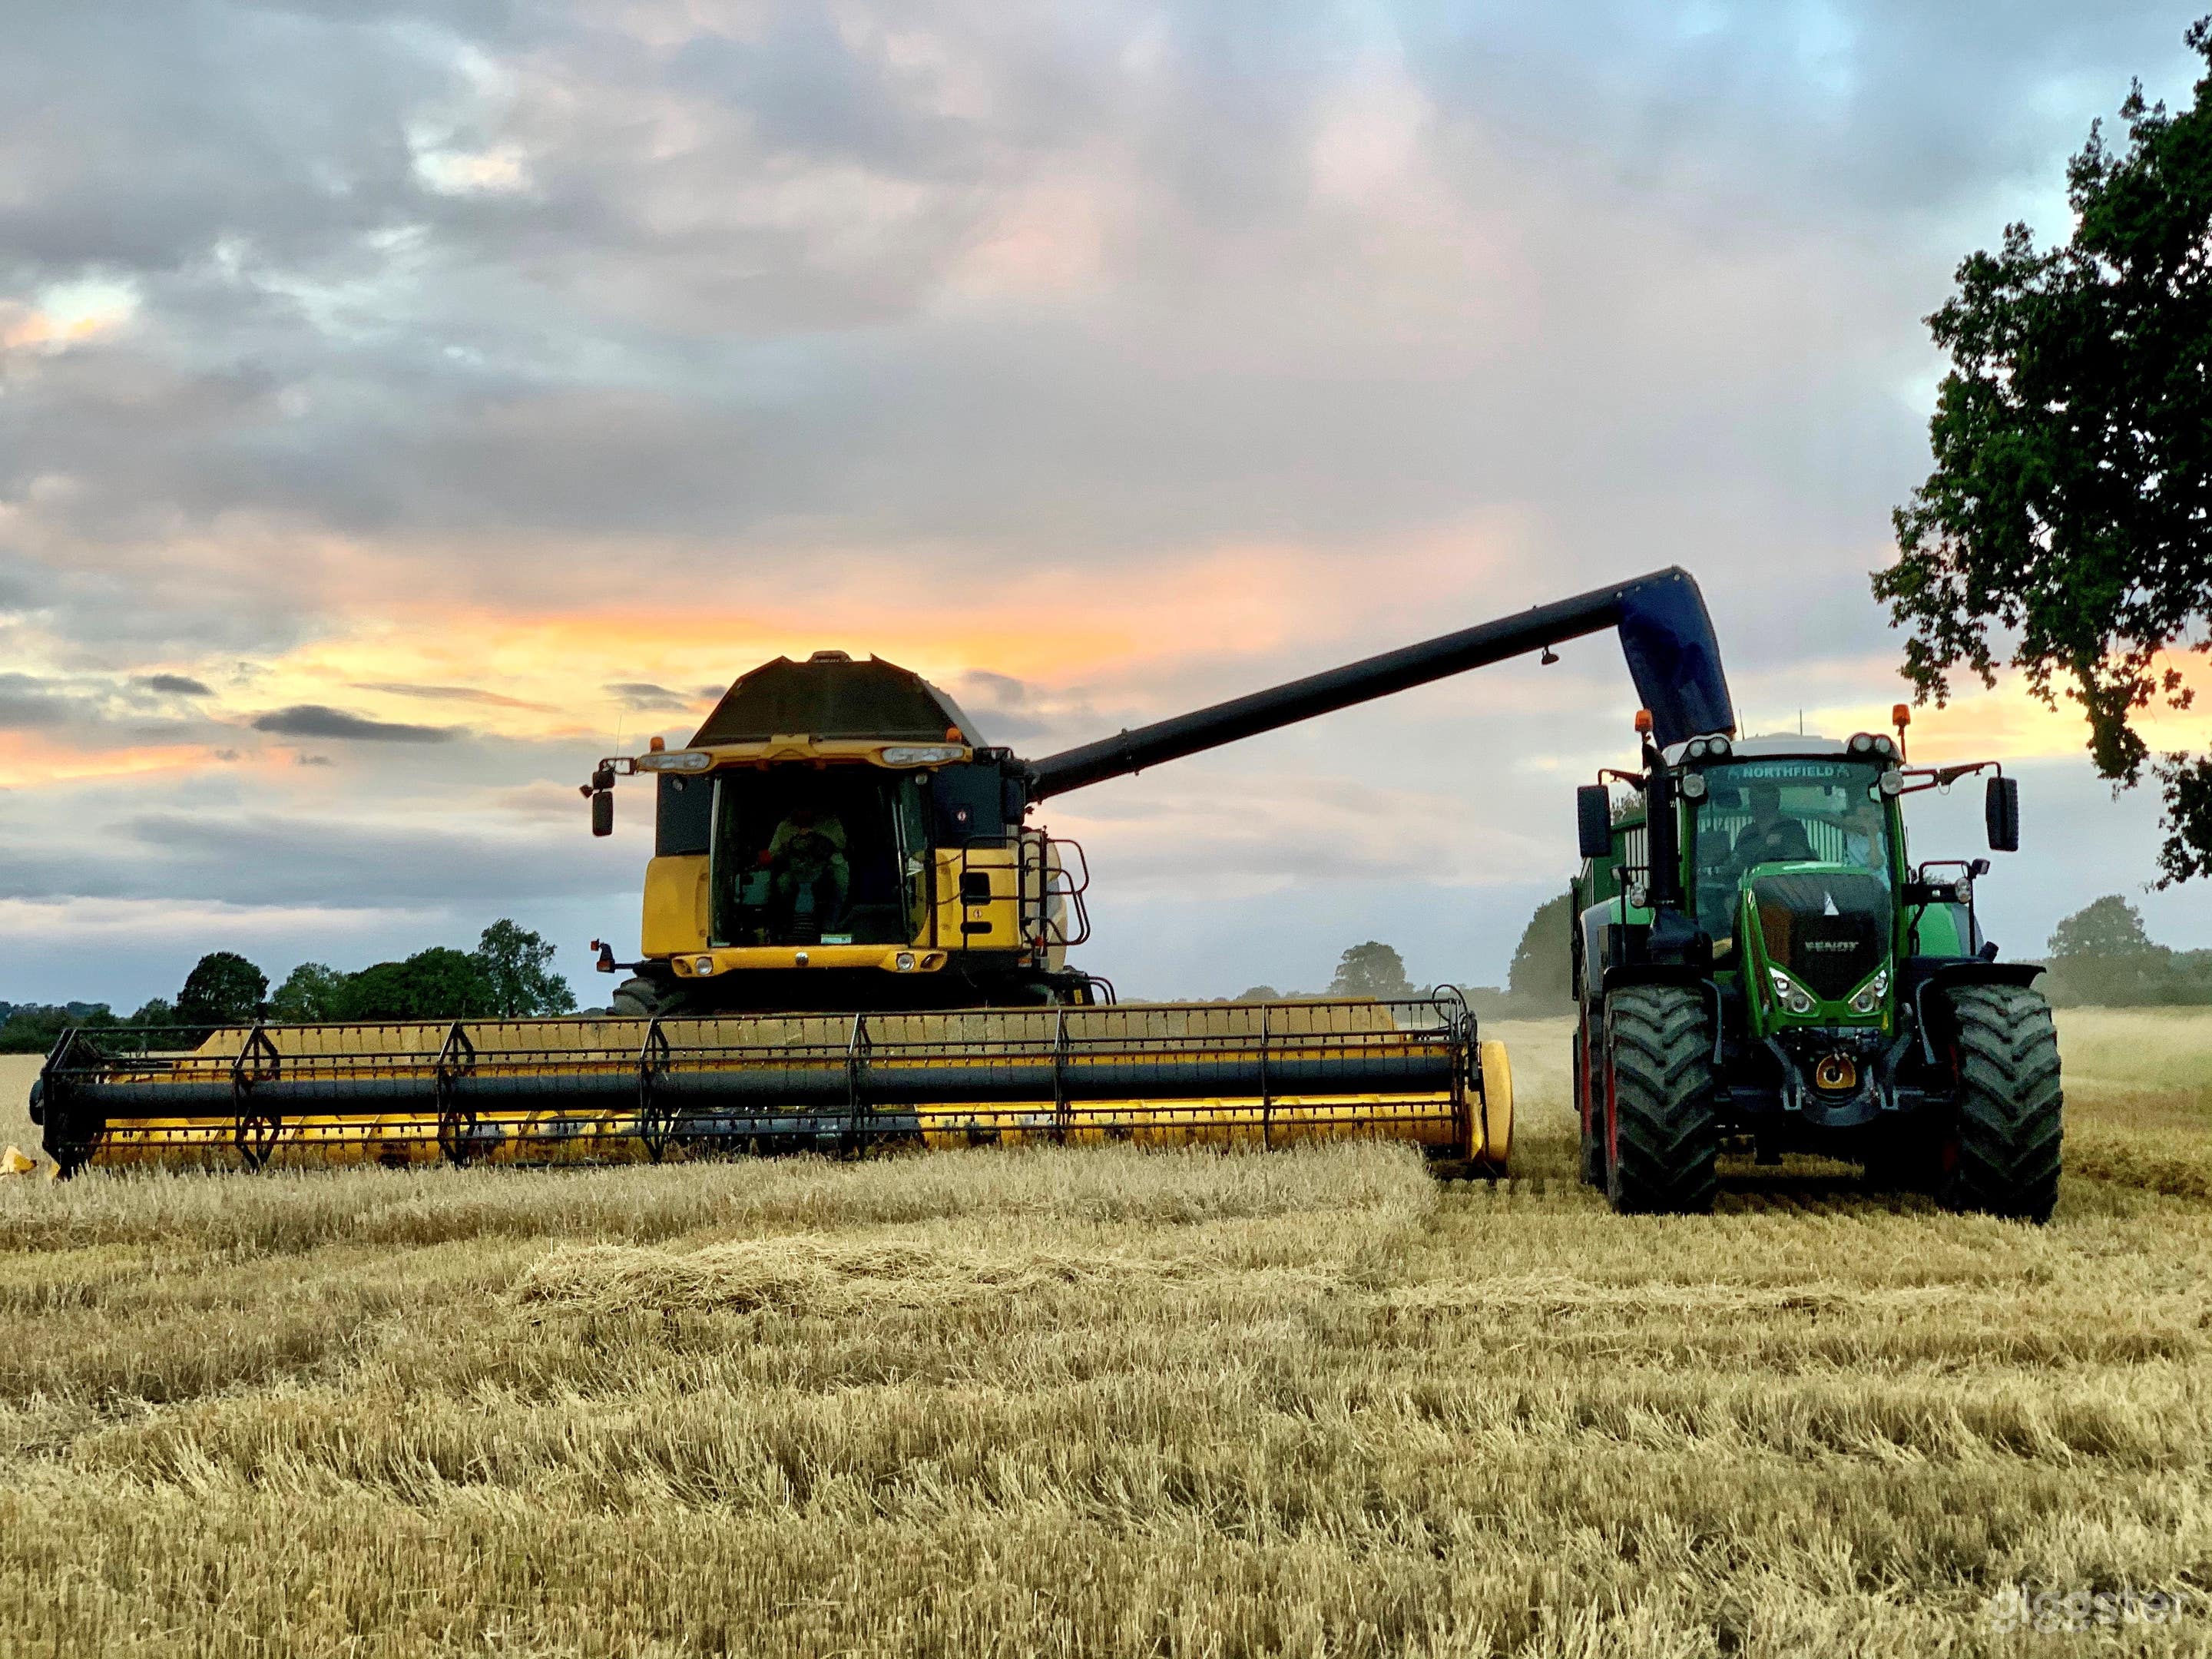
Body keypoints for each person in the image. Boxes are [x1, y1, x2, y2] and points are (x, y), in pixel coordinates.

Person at [760, 804, 850, 933]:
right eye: (800, 809)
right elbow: (772, 853)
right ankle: (787, 925)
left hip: (825, 871)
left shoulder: (830, 823)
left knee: (841, 878)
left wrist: (816, 835)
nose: (804, 813)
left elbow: (841, 844)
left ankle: (830, 925)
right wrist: (790, 844)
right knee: (783, 882)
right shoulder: (785, 827)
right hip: (797, 872)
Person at [1730, 780, 1815, 870]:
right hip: (1756, 884)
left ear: (1775, 802)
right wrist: (1762, 844)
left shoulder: (1793, 828)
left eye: (1764, 801)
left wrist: (1783, 844)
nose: (1758, 807)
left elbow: (1804, 860)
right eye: (1755, 801)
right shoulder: (1747, 833)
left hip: (1790, 882)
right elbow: (1733, 870)